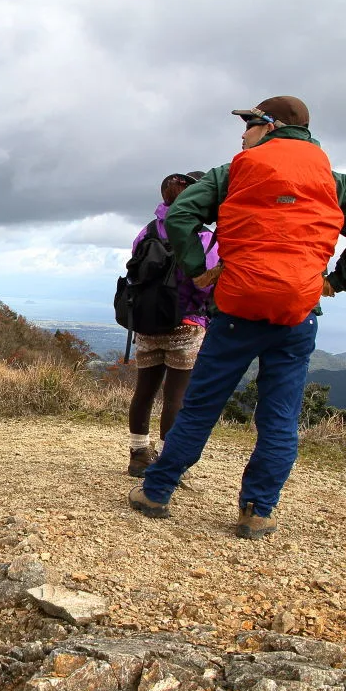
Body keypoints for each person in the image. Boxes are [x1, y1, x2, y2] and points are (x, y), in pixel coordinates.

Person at [127, 96, 346, 539]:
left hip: (235, 310)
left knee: (199, 408)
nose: (243, 132)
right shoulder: (333, 180)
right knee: (279, 418)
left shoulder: (234, 171)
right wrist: (336, 280)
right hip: (298, 314)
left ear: (271, 126)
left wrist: (199, 269)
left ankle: (156, 493)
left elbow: (182, 215)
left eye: (250, 123)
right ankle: (256, 512)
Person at [126, 171, 219, 477]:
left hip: (147, 323)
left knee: (145, 391)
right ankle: (168, 462)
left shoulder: (147, 231)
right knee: (175, 396)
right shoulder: (203, 236)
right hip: (187, 323)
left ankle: (138, 455)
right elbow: (206, 283)